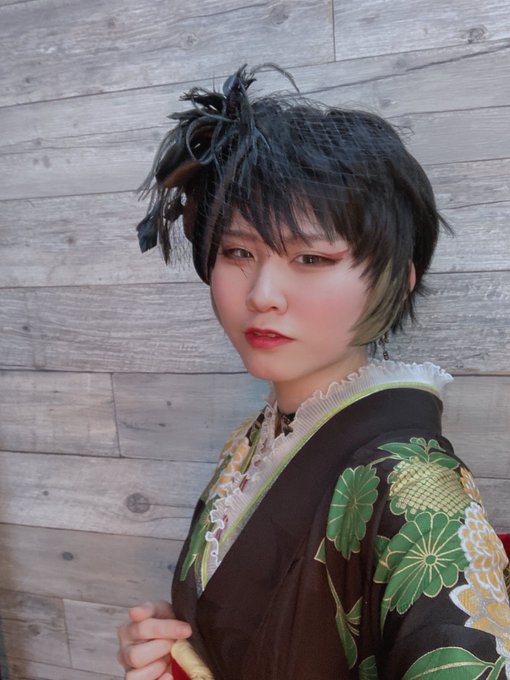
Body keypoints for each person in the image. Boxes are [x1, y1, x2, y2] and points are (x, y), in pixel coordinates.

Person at [117, 65, 510, 679]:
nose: (262, 294)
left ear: (397, 282)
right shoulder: (253, 443)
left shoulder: (416, 486)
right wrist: (175, 652)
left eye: (311, 257)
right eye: (238, 251)